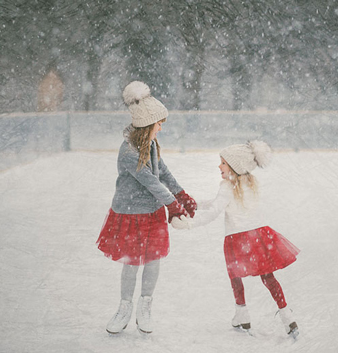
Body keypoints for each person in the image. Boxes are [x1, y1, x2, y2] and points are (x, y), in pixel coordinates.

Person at [96, 81, 197, 335]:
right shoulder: (129, 151)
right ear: (146, 126)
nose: (161, 128)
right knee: (131, 262)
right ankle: (125, 307)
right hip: (130, 213)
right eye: (158, 124)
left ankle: (145, 306)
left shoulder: (150, 145)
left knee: (153, 259)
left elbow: (162, 171)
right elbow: (151, 182)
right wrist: (173, 205)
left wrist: (181, 194)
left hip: (152, 212)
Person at [171, 141, 300, 337]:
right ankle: (287, 316)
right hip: (258, 236)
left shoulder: (227, 186)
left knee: (236, 277)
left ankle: (243, 314)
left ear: (235, 166)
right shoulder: (250, 183)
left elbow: (214, 211)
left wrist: (189, 224)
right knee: (268, 277)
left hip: (237, 239)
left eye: (223, 162)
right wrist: (194, 204)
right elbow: (217, 204)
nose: (219, 166)